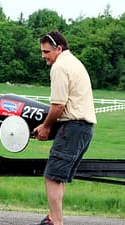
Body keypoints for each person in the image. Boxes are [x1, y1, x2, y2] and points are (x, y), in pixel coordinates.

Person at [31, 31, 97, 225]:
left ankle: (56, 222)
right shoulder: (74, 62)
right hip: (84, 128)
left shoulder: (60, 67)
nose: (43, 56)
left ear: (58, 49)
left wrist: (45, 127)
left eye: (46, 52)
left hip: (73, 127)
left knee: (51, 176)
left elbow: (58, 105)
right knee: (57, 177)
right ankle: (53, 218)